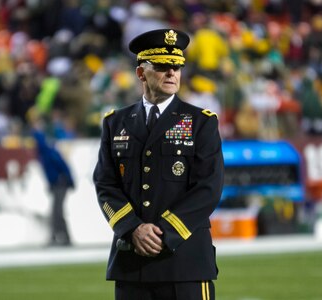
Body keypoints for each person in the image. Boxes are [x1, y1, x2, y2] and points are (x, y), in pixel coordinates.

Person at [93, 29, 224, 300]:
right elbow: (105, 184)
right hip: (132, 264)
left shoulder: (201, 122)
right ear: (141, 73)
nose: (172, 73)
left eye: (176, 67)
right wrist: (132, 228)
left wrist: (166, 233)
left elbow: (209, 188)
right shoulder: (115, 123)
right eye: (163, 66)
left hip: (185, 261)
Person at [29, 111, 75, 246]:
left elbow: (62, 165)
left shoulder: (47, 150)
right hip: (57, 183)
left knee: (57, 211)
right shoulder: (46, 151)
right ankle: (58, 237)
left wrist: (68, 180)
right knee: (56, 211)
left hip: (60, 183)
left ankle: (63, 238)